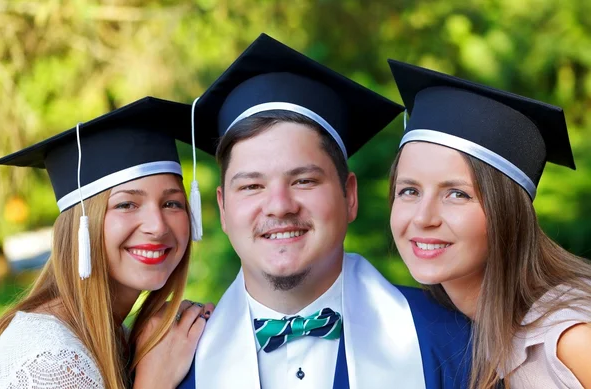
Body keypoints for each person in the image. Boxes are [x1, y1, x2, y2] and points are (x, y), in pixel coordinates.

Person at [178, 33, 472, 389]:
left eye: (303, 181)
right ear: (223, 209)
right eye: (252, 186)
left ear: (349, 196)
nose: (280, 206)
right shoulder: (172, 365)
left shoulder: (454, 345)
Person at [387, 59, 591, 389]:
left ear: (506, 211)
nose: (423, 218)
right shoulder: (434, 330)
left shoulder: (571, 338)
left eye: (456, 194)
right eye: (409, 190)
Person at [0, 97, 214, 389]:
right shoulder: (49, 360)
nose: (158, 226)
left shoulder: (112, 335)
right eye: (126, 205)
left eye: (172, 203)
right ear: (82, 226)